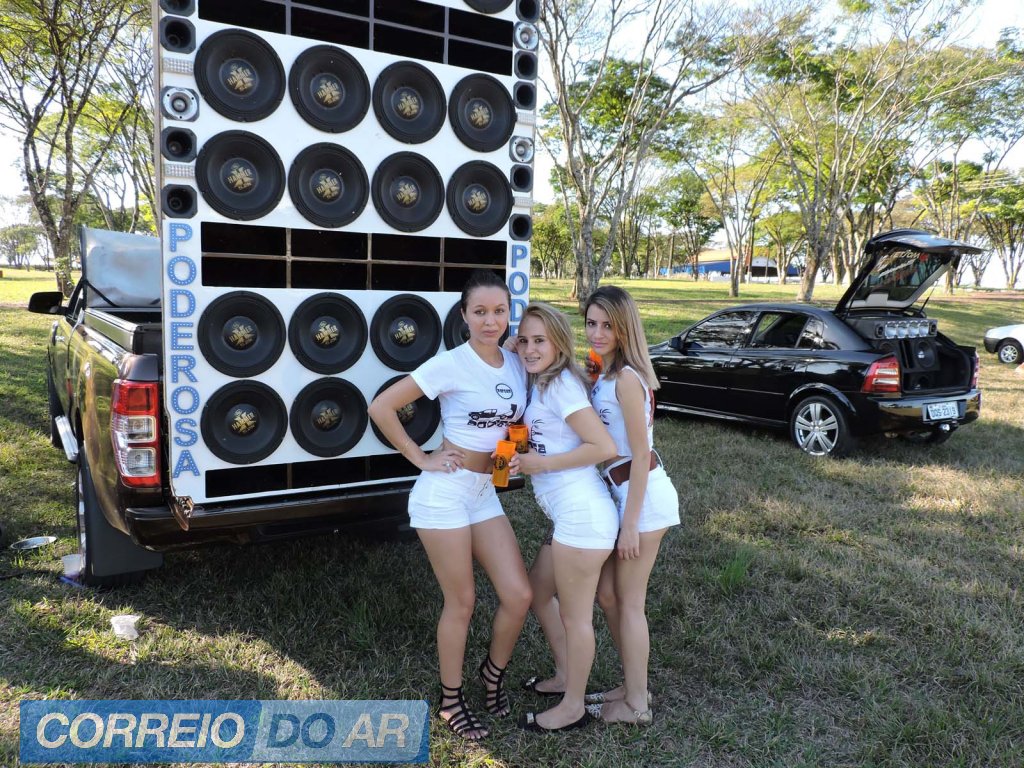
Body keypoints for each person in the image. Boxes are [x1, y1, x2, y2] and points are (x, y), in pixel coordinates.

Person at [367, 270, 532, 741]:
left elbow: (514, 424)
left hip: (483, 492)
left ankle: (492, 673)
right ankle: (451, 701)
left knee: (518, 595)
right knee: (462, 601)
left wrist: (509, 462)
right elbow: (381, 407)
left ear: (508, 313)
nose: (490, 321)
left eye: (498, 311)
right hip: (444, 495)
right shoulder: (450, 364)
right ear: (463, 315)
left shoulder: (515, 362)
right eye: (479, 312)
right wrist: (422, 457)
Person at [512, 302, 619, 733]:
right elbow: (515, 347)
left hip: (583, 518)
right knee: (539, 592)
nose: (530, 349)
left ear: (559, 343)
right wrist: (515, 343)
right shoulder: (543, 380)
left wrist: (541, 464)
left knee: (577, 618)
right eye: (525, 340)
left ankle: (573, 705)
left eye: (540, 340)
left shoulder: (561, 387)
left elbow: (603, 446)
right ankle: (563, 675)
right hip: (567, 518)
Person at [584, 285, 680, 726]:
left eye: (608, 325)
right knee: (607, 595)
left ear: (625, 328)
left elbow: (640, 456)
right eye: (591, 324)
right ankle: (631, 683)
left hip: (642, 498)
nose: (598, 333)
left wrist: (629, 524)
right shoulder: (607, 372)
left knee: (628, 602)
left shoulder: (626, 379)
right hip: (621, 492)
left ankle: (637, 704)